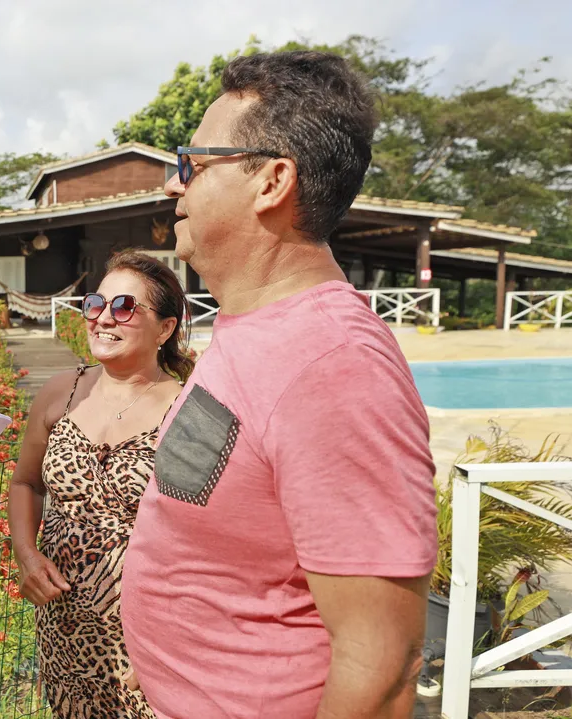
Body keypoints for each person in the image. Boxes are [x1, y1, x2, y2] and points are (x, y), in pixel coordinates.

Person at [121, 51, 438, 719]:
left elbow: (381, 667)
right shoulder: (255, 330)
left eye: (192, 165)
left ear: (271, 181)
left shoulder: (330, 364)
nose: (174, 187)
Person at [8, 250, 194, 719]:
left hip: (147, 633)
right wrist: (27, 555)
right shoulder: (62, 392)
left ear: (165, 328)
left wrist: (172, 640)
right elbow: (26, 483)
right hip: (63, 626)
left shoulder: (187, 409)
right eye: (96, 304)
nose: (103, 318)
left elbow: (205, 537)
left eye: (125, 307)